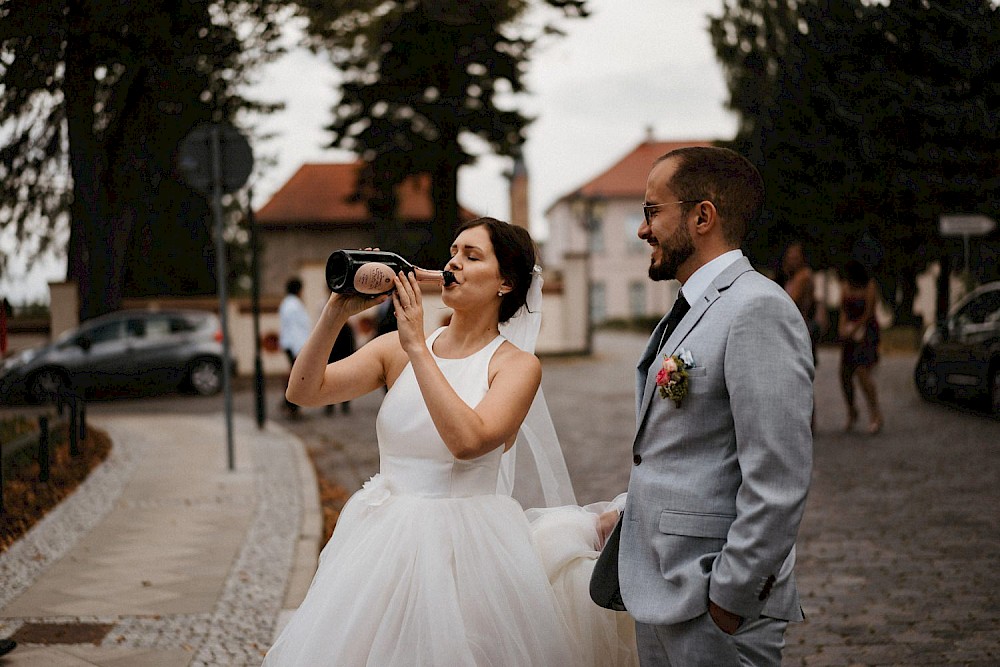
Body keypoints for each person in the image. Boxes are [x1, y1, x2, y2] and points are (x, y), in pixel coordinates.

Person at [263, 217, 636, 666]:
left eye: (472, 256)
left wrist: (418, 348)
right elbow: (303, 391)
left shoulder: (515, 367)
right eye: (454, 252)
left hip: (466, 550)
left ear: (505, 283)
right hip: (379, 540)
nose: (453, 263)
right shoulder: (393, 350)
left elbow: (468, 440)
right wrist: (335, 312)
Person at [592, 146, 813, 666]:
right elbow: (691, 448)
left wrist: (730, 599)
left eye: (651, 211)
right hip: (660, 591)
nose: (643, 230)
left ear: (702, 216)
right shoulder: (692, 309)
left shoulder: (756, 309)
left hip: (711, 602)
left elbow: (778, 477)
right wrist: (632, 509)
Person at [837, 259, 883, 434]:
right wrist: (842, 328)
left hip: (867, 333)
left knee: (862, 371)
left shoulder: (869, 285)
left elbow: (869, 312)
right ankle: (851, 410)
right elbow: (843, 310)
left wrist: (855, 328)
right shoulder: (846, 286)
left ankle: (875, 413)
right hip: (850, 334)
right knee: (844, 373)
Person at [278, 277, 311, 419]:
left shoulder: (289, 304)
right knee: (296, 376)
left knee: (294, 375)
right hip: (295, 346)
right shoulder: (292, 305)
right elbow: (294, 330)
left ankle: (288, 402)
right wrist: (300, 350)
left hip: (292, 345)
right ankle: (292, 405)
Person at [324, 318, 355, 415]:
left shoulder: (330, 328)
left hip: (334, 360)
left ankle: (331, 405)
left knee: (331, 383)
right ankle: (343, 404)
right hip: (343, 359)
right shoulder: (347, 327)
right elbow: (351, 345)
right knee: (344, 383)